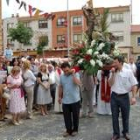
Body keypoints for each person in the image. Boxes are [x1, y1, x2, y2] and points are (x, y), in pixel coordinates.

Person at [108, 55, 137, 140]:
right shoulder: (112, 72)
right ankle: (116, 134)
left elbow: (134, 84)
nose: (114, 64)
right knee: (114, 116)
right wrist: (113, 74)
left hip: (124, 97)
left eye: (115, 62)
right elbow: (110, 84)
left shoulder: (128, 72)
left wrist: (133, 97)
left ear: (120, 63)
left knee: (125, 116)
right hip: (114, 97)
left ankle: (126, 132)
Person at [58, 62, 81, 137]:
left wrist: (73, 74)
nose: (66, 72)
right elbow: (60, 86)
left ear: (70, 68)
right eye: (64, 71)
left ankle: (75, 129)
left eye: (67, 70)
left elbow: (78, 83)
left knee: (75, 116)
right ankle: (68, 130)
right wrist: (59, 96)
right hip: (65, 100)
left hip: (75, 99)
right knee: (66, 117)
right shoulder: (61, 76)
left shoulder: (76, 74)